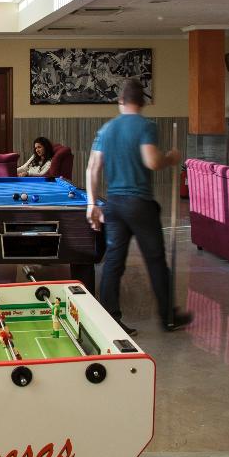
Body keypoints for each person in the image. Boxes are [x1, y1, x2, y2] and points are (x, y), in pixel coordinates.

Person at [86, 77, 191, 333]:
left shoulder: (106, 129)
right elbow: (152, 161)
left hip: (114, 205)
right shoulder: (146, 126)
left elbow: (93, 168)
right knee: (155, 260)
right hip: (139, 204)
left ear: (120, 101)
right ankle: (168, 317)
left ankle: (110, 319)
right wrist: (171, 158)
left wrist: (92, 204)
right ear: (142, 102)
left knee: (113, 261)